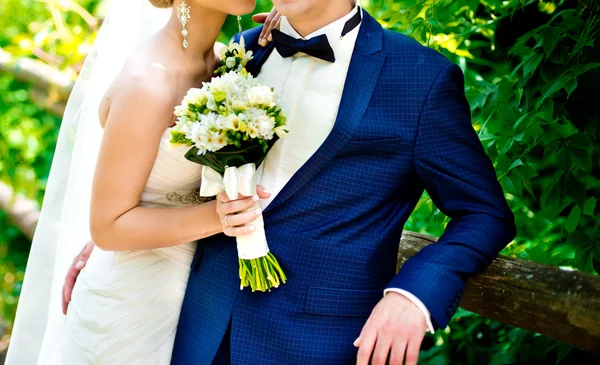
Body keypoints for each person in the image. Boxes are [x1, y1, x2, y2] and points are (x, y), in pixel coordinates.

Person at [61, 0, 516, 364]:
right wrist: (115, 235)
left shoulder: (419, 78)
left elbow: (485, 214)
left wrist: (415, 294)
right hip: (194, 325)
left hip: (319, 341)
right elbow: (175, 170)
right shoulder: (240, 53)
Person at [5, 1, 280, 364]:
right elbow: (107, 226)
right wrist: (221, 218)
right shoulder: (148, 80)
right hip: (128, 308)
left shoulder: (225, 60)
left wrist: (289, 22)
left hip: (192, 298)